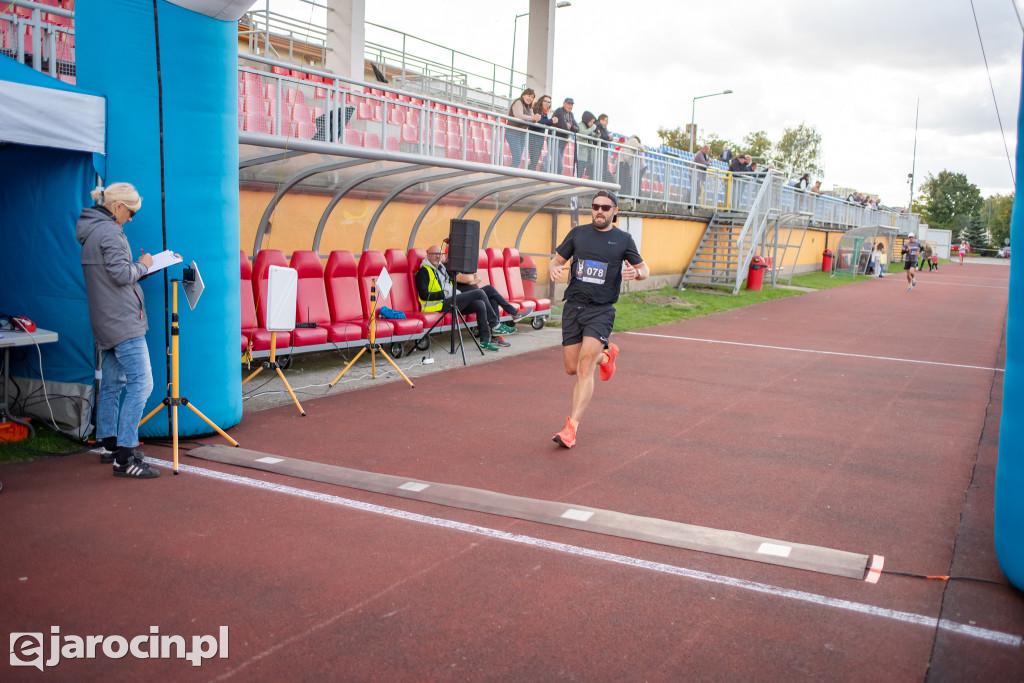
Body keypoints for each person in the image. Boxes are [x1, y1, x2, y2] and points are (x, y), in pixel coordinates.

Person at [548, 191, 649, 449]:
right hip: (574, 308)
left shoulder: (623, 239)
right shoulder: (578, 234)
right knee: (571, 367)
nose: (599, 211)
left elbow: (645, 270)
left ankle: (571, 428)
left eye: (605, 207)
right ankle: (607, 357)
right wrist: (554, 268)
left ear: (615, 211)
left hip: (601, 310)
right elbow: (556, 261)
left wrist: (634, 273)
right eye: (595, 206)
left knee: (584, 365)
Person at [76, 183, 160, 479]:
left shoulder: (90, 230)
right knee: (142, 383)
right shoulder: (110, 231)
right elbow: (121, 274)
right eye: (131, 211)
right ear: (118, 207)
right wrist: (144, 264)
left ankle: (110, 444)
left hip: (105, 319)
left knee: (112, 383)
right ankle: (124, 457)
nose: (132, 218)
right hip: (123, 320)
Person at [416, 245, 503, 351]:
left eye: (440, 254)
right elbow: (424, 295)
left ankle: (484, 341)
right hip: (438, 304)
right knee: (479, 293)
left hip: (451, 299)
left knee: (480, 304)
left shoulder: (441, 269)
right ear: (428, 256)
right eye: (435, 254)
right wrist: (443, 294)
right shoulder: (423, 272)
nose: (438, 257)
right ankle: (495, 325)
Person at [505, 88, 540, 169]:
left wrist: (536, 118)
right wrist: (532, 118)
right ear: (523, 95)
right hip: (513, 132)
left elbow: (532, 118)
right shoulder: (518, 102)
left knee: (518, 159)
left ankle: (510, 175)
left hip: (521, 134)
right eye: (528, 96)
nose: (530, 98)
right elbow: (519, 115)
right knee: (517, 158)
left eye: (532, 97)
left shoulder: (529, 107)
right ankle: (508, 176)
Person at [551, 96, 579, 175]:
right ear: (564, 104)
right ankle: (554, 180)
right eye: (568, 104)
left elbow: (577, 129)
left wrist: (570, 126)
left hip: (562, 141)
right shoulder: (560, 111)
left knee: (558, 164)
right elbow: (564, 127)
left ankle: (555, 179)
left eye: (571, 105)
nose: (570, 106)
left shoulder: (570, 114)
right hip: (554, 140)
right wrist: (569, 127)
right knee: (558, 165)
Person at [529, 94, 556, 171]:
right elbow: (539, 121)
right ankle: (529, 173)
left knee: (535, 159)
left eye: (549, 102)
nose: (547, 103)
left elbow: (545, 122)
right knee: (534, 159)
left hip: (540, 137)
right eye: (545, 101)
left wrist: (552, 121)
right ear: (541, 101)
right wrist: (551, 121)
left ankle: (530, 173)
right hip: (533, 136)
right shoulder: (535, 109)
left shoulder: (545, 112)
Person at [577, 110, 599, 180]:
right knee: (579, 173)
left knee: (589, 172)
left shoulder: (589, 128)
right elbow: (584, 133)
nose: (592, 124)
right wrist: (593, 128)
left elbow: (594, 135)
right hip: (580, 155)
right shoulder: (580, 125)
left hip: (587, 155)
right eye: (591, 122)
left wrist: (598, 133)